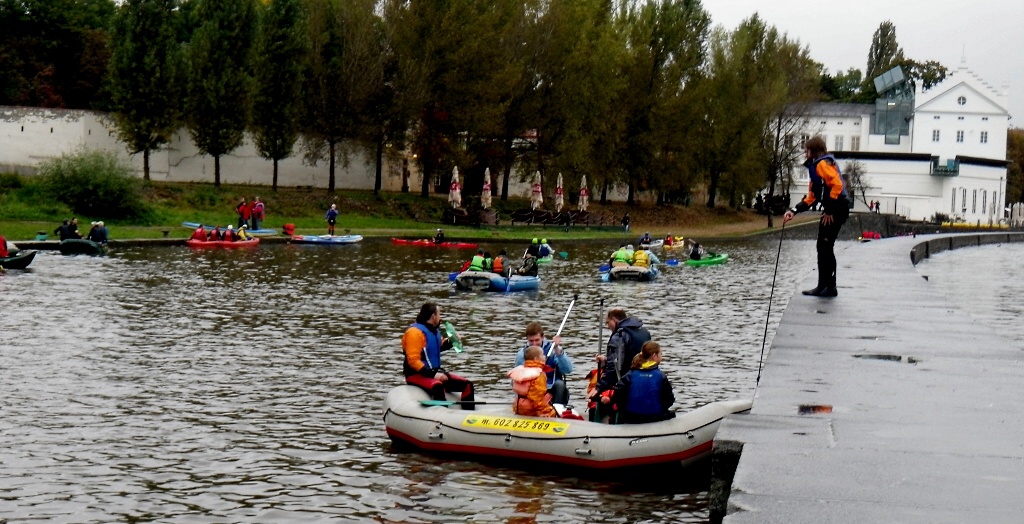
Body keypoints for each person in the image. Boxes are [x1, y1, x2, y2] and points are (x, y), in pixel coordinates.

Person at [784, 135, 850, 298]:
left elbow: (837, 185)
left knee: (825, 246)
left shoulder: (822, 164)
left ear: (814, 151)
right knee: (823, 246)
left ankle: (829, 287)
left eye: (806, 151)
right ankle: (824, 286)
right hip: (833, 208)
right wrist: (794, 210)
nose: (805, 154)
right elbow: (812, 196)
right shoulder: (816, 167)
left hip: (837, 208)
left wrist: (829, 209)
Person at [401, 302, 475, 407]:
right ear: (433, 316)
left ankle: (468, 418)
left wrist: (452, 340)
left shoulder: (433, 331)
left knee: (468, 385)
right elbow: (413, 361)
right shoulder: (414, 333)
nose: (441, 317)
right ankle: (443, 417)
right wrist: (434, 375)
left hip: (433, 373)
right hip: (416, 375)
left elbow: (438, 347)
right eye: (439, 314)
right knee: (438, 386)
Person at [587, 308, 651, 422]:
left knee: (607, 402)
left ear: (614, 320)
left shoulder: (620, 335)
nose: (608, 326)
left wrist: (598, 388)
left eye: (608, 322)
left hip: (625, 382)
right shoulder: (643, 332)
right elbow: (628, 357)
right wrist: (606, 360)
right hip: (644, 378)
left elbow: (614, 366)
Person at [604, 341, 675, 424]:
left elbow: (618, 396)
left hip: (631, 418)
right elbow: (669, 400)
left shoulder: (629, 375)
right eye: (660, 354)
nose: (661, 357)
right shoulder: (661, 376)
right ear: (654, 356)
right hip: (655, 418)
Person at [514, 321, 574, 406]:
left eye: (537, 340)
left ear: (543, 337)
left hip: (551, 388)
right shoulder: (522, 354)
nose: (534, 344)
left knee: (560, 385)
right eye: (531, 341)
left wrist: (557, 350)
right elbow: (518, 380)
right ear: (527, 339)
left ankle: (557, 410)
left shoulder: (553, 350)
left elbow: (568, 370)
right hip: (532, 390)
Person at [509, 345, 557, 418]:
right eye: (542, 354)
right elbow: (537, 397)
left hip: (519, 407)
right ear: (536, 358)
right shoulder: (538, 374)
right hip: (531, 410)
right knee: (554, 412)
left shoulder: (522, 370)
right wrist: (543, 412)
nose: (544, 356)